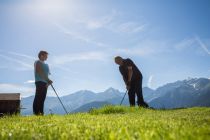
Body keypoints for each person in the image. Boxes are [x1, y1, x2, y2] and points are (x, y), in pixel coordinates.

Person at [33, 51, 53, 115]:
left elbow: (46, 74)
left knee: (42, 98)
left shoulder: (46, 65)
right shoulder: (37, 62)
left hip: (45, 83)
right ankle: (36, 113)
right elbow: (39, 72)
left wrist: (48, 81)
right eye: (46, 56)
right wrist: (48, 80)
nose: (47, 57)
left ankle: (41, 113)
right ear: (41, 55)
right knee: (38, 97)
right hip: (39, 82)